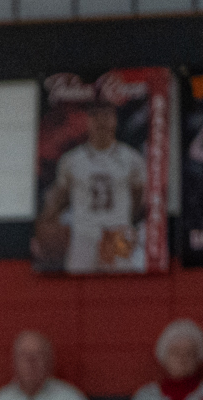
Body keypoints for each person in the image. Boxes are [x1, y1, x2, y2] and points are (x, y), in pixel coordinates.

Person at [39, 102, 148, 274]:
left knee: (123, 287)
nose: (101, 121)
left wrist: (127, 223)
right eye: (95, 116)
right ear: (88, 120)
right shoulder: (71, 159)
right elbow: (60, 198)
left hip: (117, 233)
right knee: (76, 288)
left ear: (115, 120)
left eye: (106, 115)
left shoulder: (131, 158)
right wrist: (47, 221)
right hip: (84, 233)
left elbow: (139, 197)